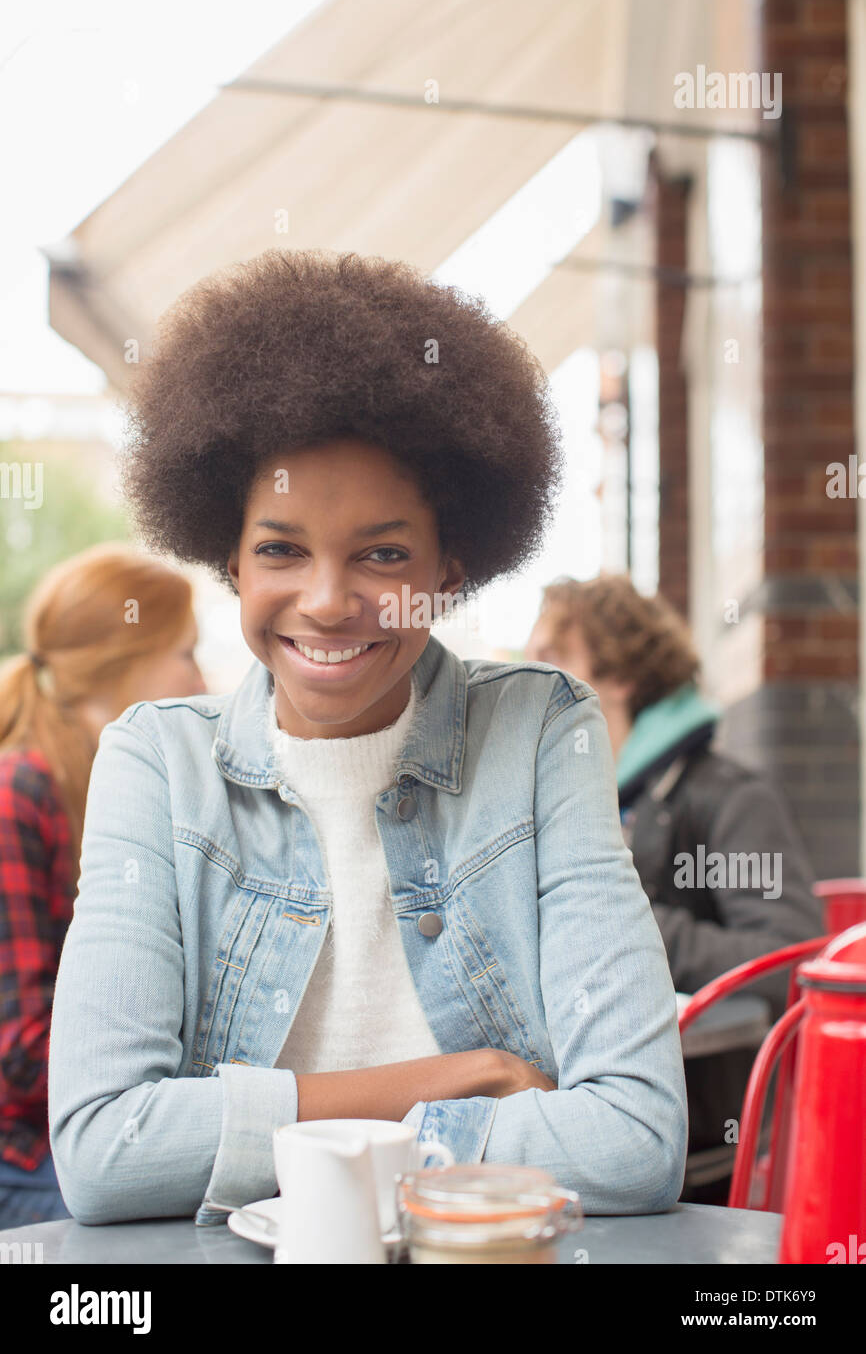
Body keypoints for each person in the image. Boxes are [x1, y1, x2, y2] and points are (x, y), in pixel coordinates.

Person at [48, 248, 687, 1226]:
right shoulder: (158, 764)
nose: (326, 601)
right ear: (228, 556)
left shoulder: (538, 731)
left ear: (453, 566)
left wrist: (269, 1138)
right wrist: (447, 1083)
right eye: (280, 549)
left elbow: (634, 1143)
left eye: (383, 554)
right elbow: (103, 1152)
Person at [525, 573, 824, 1201]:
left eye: (552, 660)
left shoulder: (729, 796)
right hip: (571, 1127)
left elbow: (792, 962)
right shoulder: (573, 804)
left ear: (622, 676)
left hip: (695, 1153)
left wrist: (624, 919)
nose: (529, 683)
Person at [0, 543, 205, 1227]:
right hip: (25, 1153)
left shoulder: (107, 791)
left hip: (83, 1134)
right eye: (186, 652)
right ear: (125, 657)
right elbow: (20, 1057)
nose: (201, 682)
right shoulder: (17, 791)